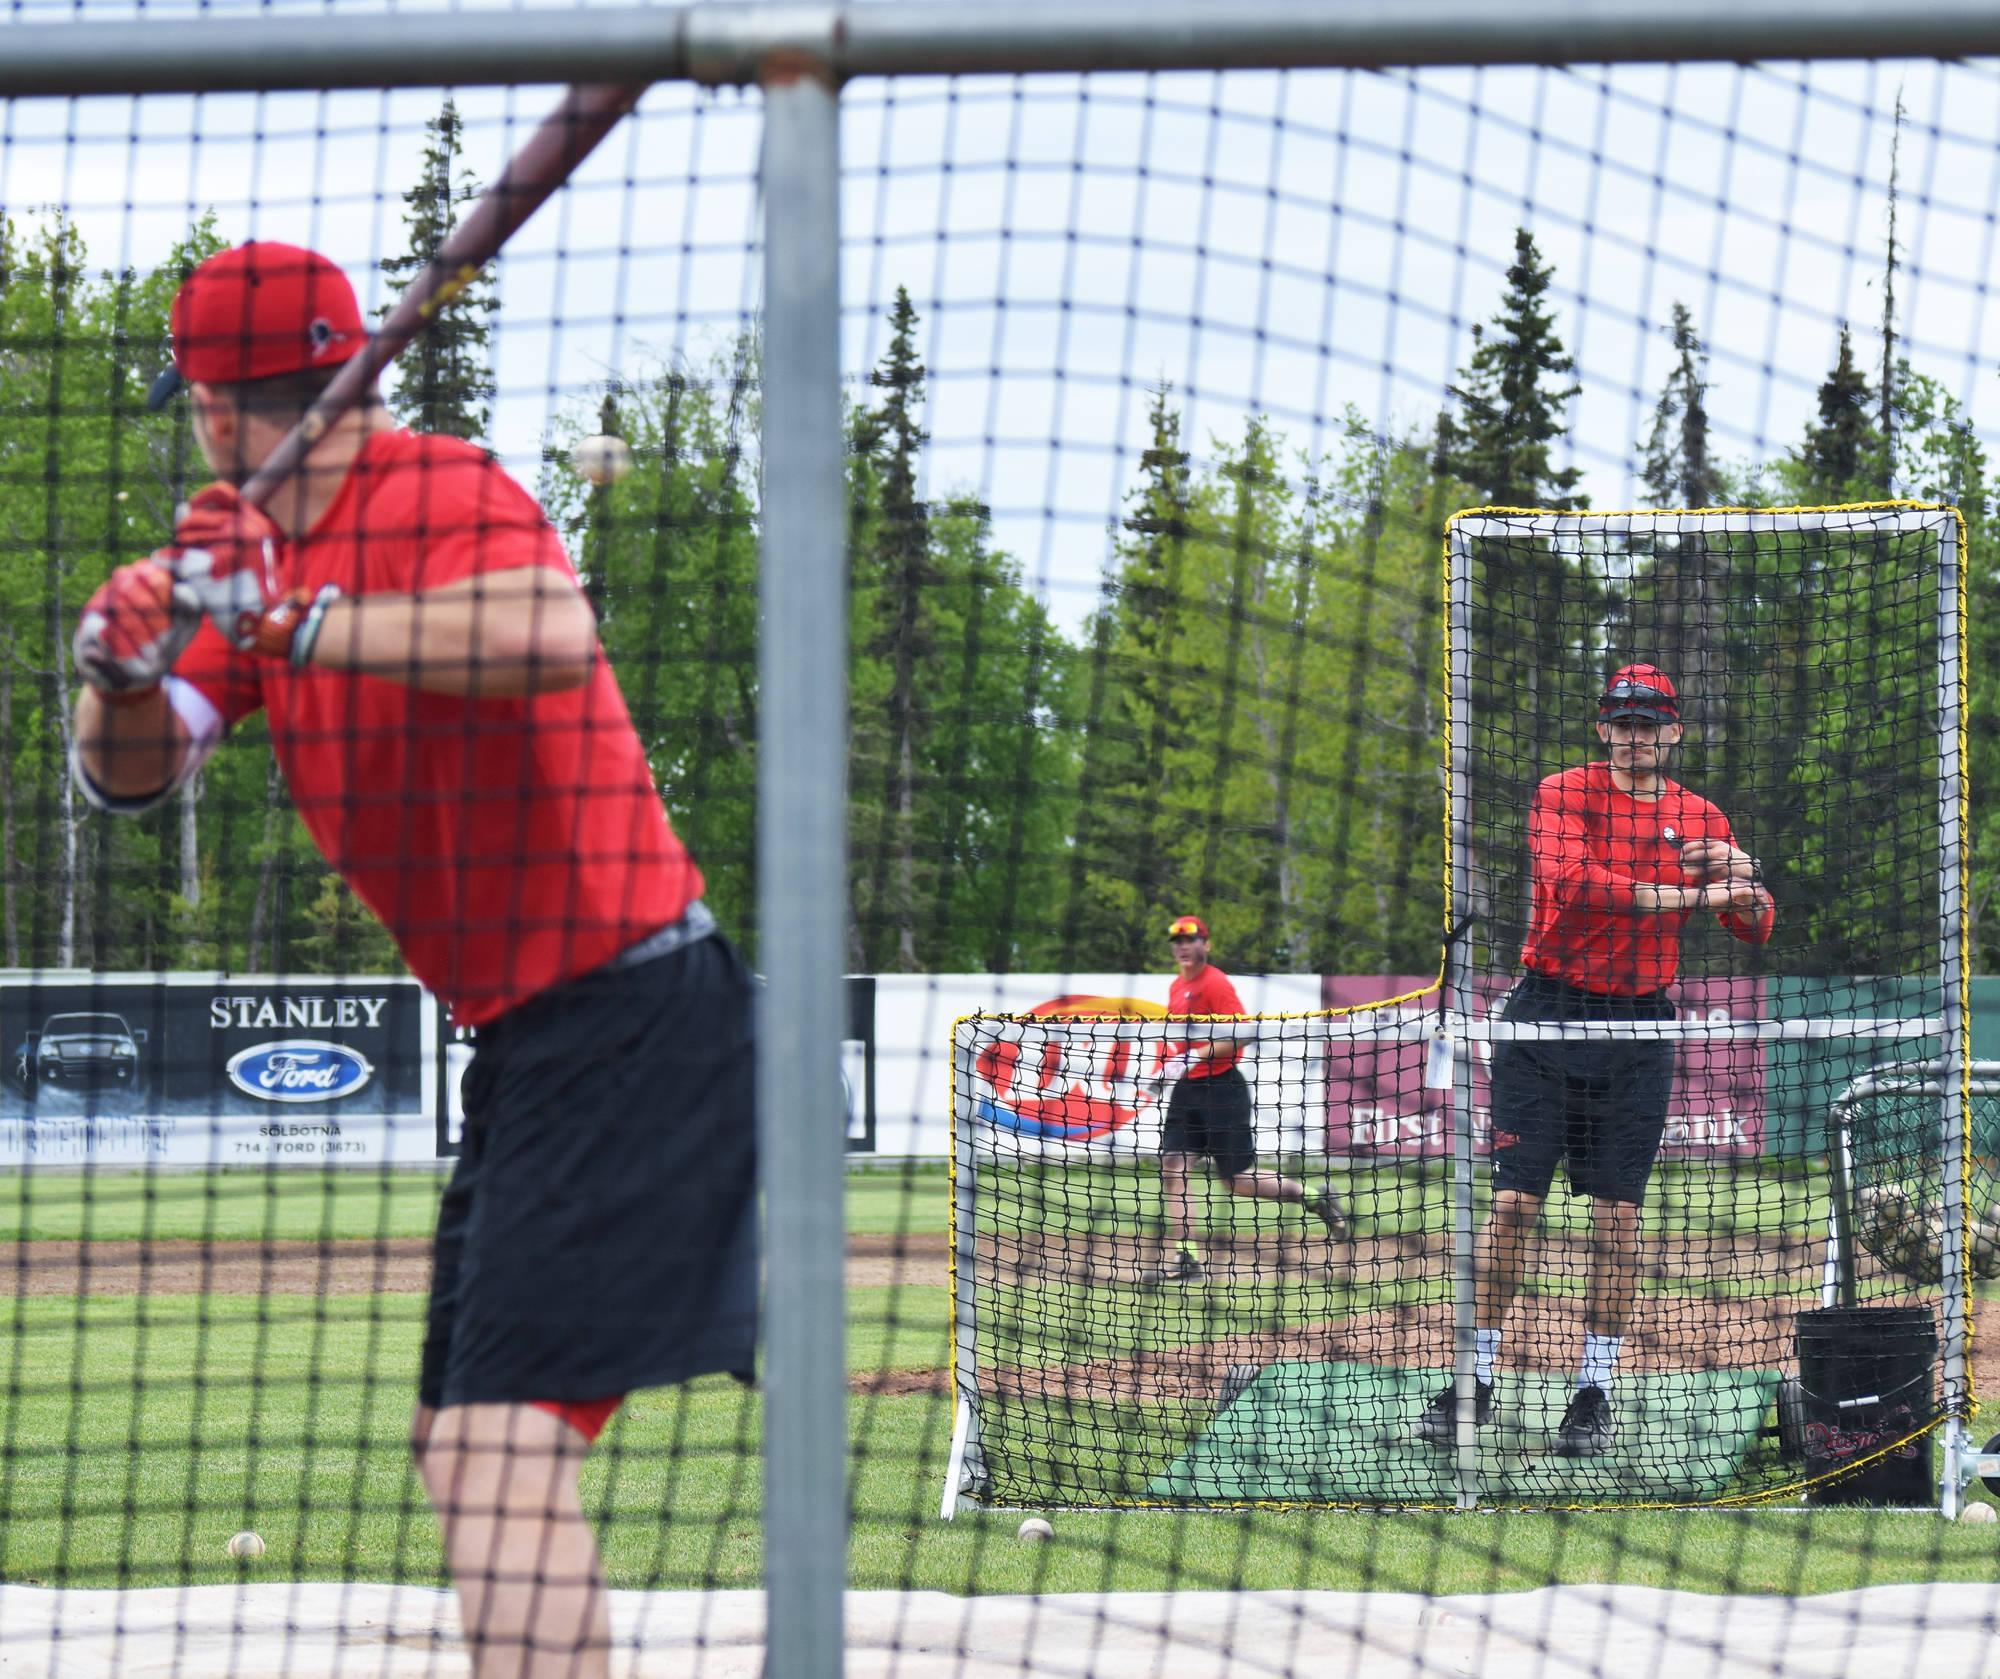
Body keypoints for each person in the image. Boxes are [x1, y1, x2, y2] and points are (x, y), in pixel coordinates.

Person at [70, 241, 756, 1679]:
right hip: (535, 1037)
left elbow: (551, 635)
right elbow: (136, 777)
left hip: (630, 1006)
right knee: (469, 1453)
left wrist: (296, 620)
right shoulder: (243, 546)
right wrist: (117, 671)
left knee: (498, 1458)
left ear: (209, 403)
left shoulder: (439, 486)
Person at [1414, 664, 1772, 1456]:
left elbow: (1757, 926)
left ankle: (1592, 1390)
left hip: (1639, 1026)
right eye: (1623, 720)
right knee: (1513, 1206)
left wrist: (1742, 878)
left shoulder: (1699, 815)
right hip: (1547, 1015)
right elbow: (1573, 885)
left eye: (1652, 722)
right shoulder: (1562, 791)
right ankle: (1474, 1376)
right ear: (1603, 726)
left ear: (1675, 731)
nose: (1637, 734)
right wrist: (1696, 895)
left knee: (1618, 1220)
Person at [1143, 914, 1348, 1285]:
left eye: (1191, 939)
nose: (1183, 946)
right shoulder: (1176, 986)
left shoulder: (1215, 983)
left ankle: (1315, 1195)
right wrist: (1172, 1067)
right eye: (1177, 941)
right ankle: (1186, 1257)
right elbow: (1187, 1040)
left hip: (1222, 1089)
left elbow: (1243, 1033)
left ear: (1206, 945)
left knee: (1236, 1180)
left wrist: (1195, 1056)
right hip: (1187, 1091)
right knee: (1173, 1168)